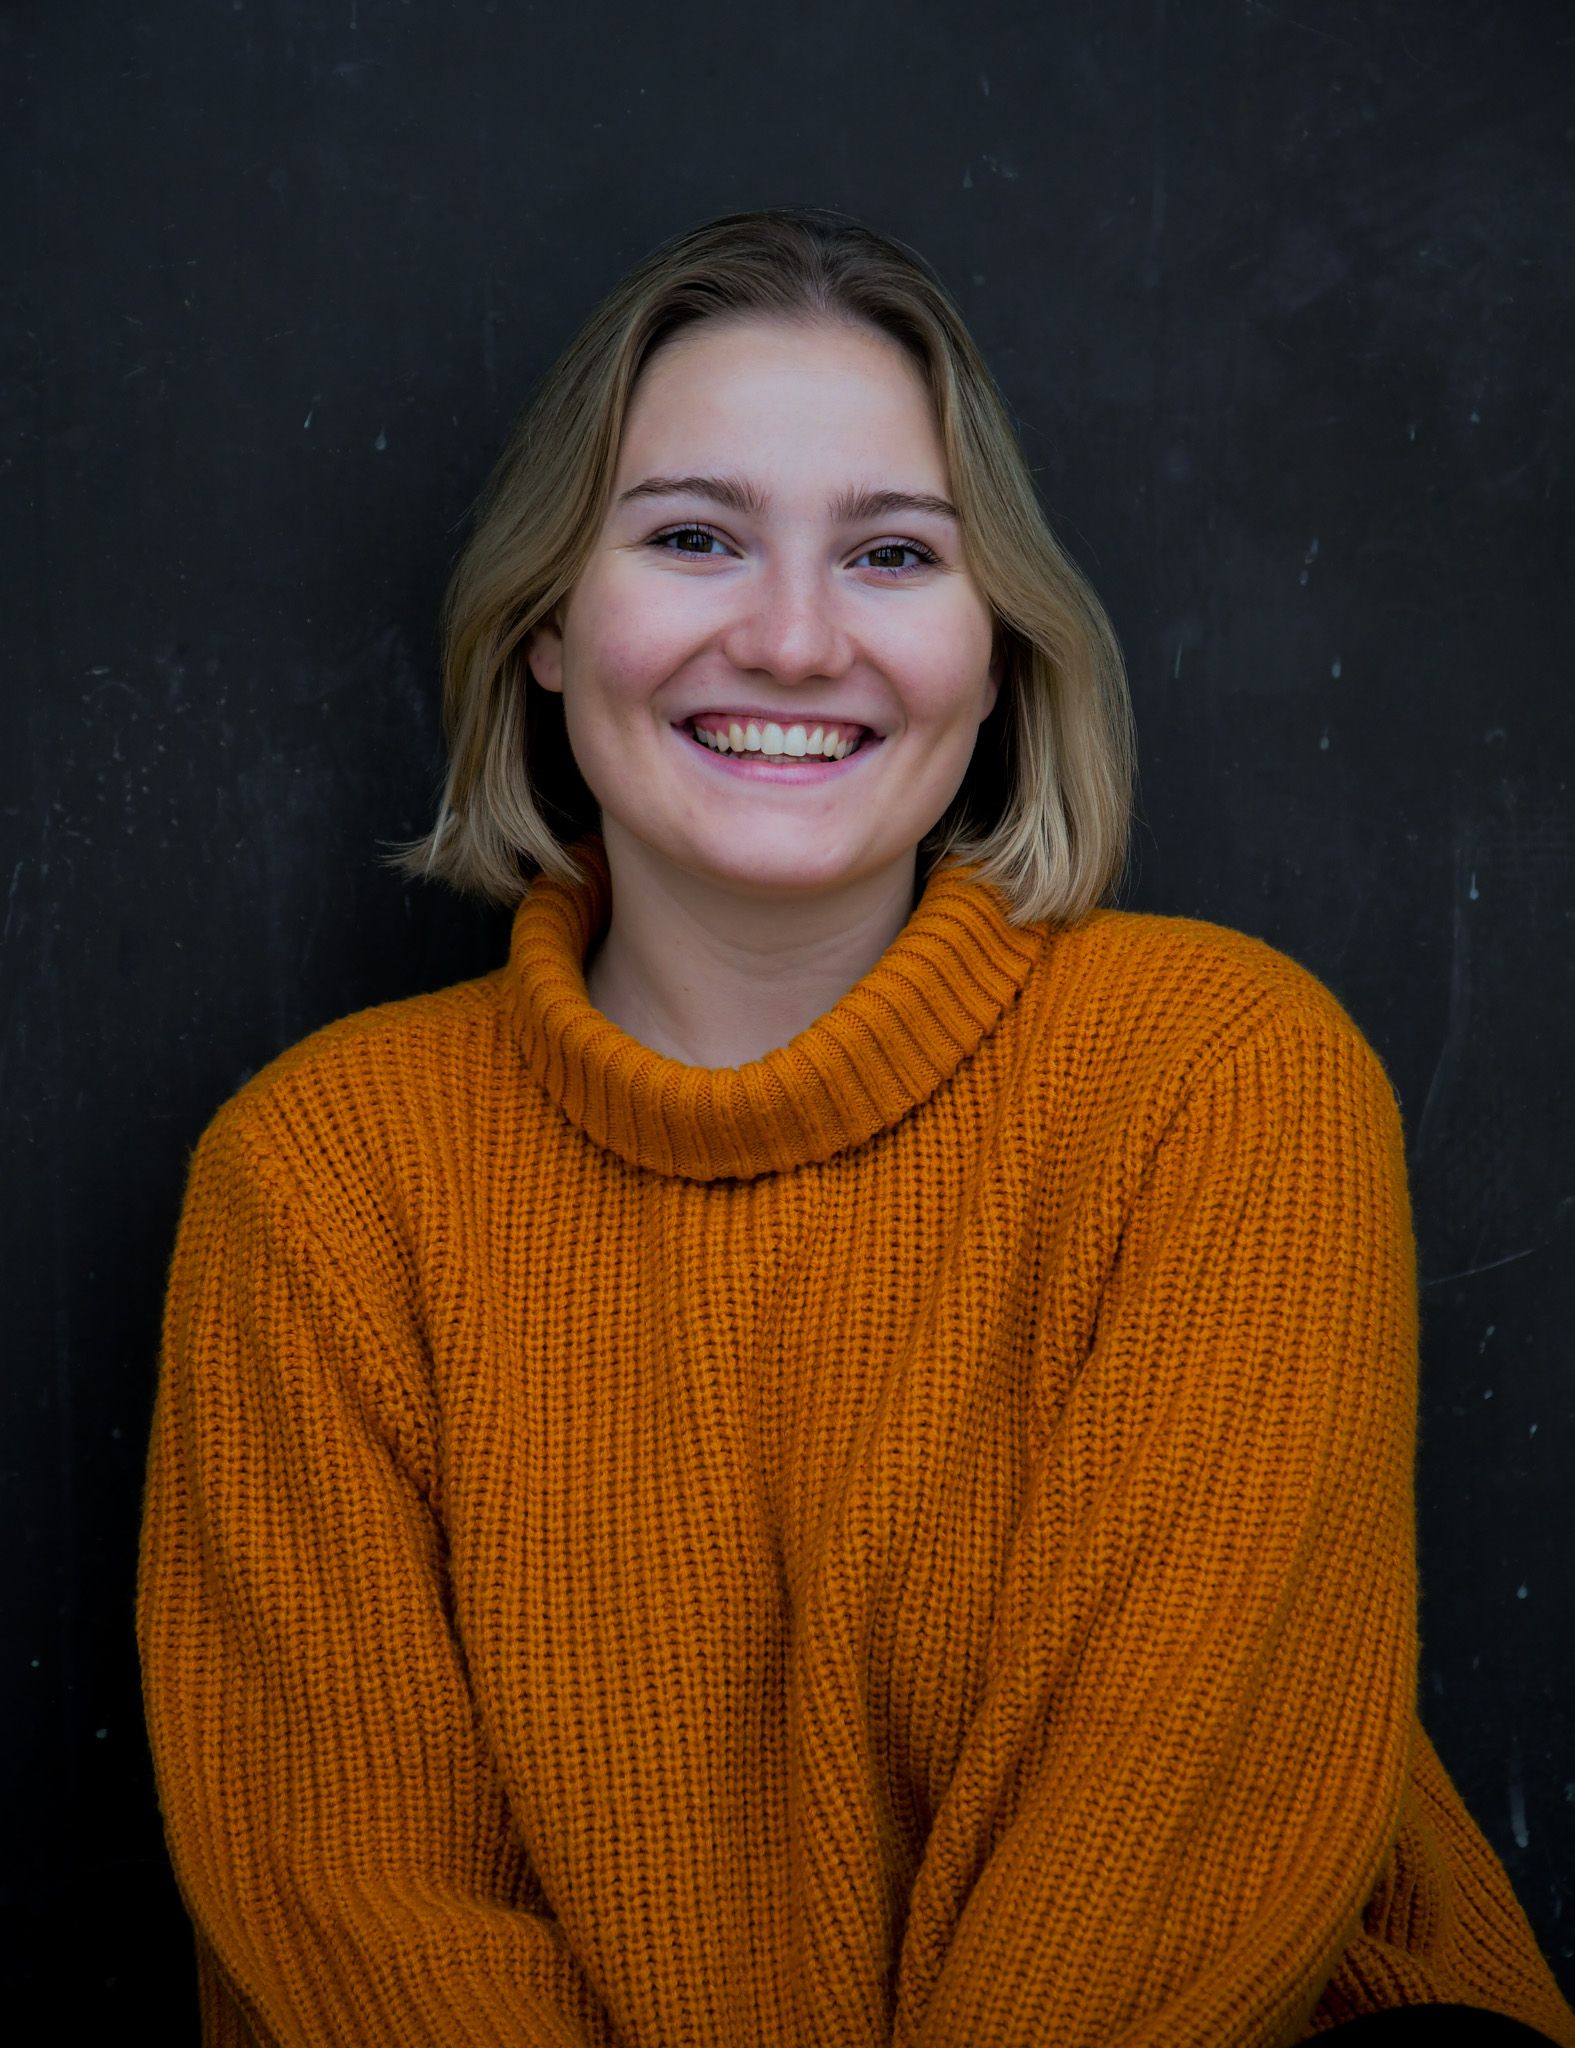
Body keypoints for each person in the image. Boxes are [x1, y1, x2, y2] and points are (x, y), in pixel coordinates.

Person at [136, 206, 1575, 2047]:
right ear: (550, 623)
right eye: (691, 536)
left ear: (997, 648)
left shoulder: (1222, 1077)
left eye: (894, 554)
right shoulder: (320, 1180)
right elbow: (359, 1909)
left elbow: (1163, 1863)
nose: (795, 640)